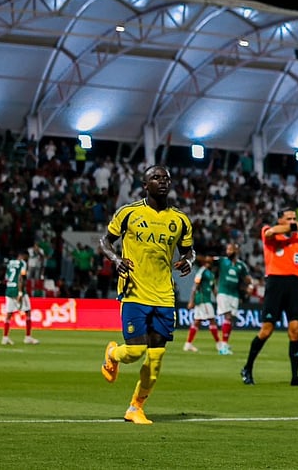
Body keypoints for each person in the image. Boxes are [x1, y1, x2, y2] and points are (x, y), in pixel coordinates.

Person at [97, 164, 195, 425]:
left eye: (166, 178)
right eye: (155, 177)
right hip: (134, 291)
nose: (162, 181)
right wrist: (115, 260)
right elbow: (104, 241)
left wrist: (189, 260)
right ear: (145, 184)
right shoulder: (129, 213)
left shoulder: (180, 220)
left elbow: (189, 250)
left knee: (156, 358)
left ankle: (135, 407)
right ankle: (113, 355)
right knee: (134, 350)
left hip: (164, 295)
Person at [240, 208, 298, 387]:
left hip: (295, 285)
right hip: (275, 284)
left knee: (295, 330)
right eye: (288, 219)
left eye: (294, 219)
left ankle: (295, 377)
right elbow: (273, 232)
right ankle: (247, 368)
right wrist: (296, 226)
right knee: (266, 330)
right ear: (280, 220)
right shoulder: (269, 231)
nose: (292, 221)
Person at [215, 240, 254, 355]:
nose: (228, 251)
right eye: (227, 249)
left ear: (236, 251)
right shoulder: (222, 261)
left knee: (230, 319)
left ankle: (224, 343)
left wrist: (249, 287)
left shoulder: (241, 265)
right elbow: (209, 262)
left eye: (230, 249)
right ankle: (223, 347)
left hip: (235, 294)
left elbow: (247, 278)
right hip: (223, 292)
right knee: (227, 317)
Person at [183, 255, 220, 352]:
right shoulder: (202, 271)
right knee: (212, 320)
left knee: (197, 322)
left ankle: (188, 344)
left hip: (205, 299)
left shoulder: (210, 274)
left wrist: (219, 300)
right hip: (203, 299)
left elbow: (213, 289)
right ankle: (219, 344)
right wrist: (191, 301)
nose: (209, 263)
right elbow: (195, 286)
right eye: (207, 261)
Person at [1, 249, 38, 345]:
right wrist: (20, 292)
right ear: (23, 256)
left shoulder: (10, 263)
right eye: (27, 257)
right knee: (28, 312)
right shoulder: (23, 263)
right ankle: (28, 337)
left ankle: (5, 338)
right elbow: (21, 277)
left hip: (9, 289)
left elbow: (6, 277)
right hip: (18, 289)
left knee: (9, 314)